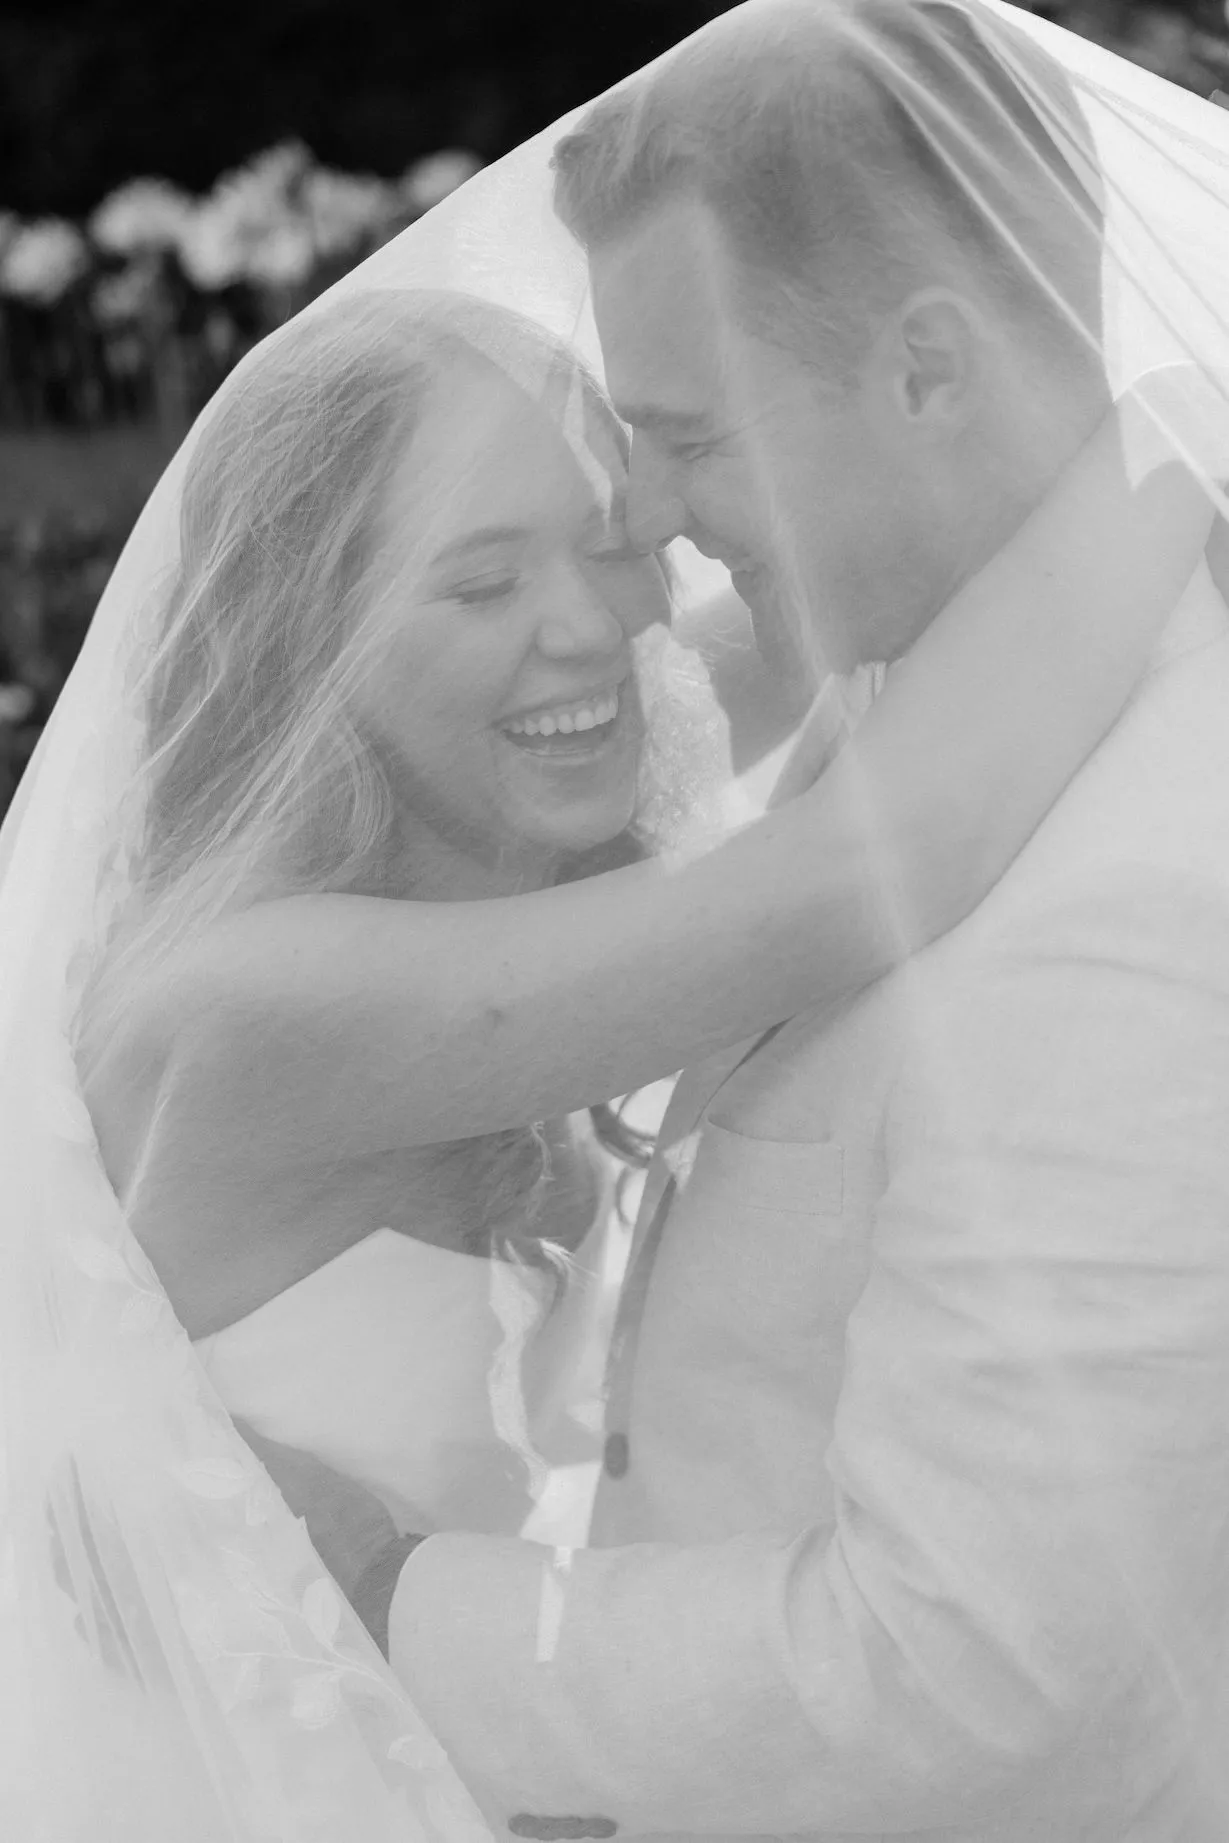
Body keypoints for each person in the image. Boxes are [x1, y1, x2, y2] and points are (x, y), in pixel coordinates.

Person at [3, 2, 1229, 1837]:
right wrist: (1158, 440)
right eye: (482, 574)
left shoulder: (569, 816)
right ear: (304, 639)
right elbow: (851, 871)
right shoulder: (253, 1002)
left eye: (620, 517)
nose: (617, 594)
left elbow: (821, 634)